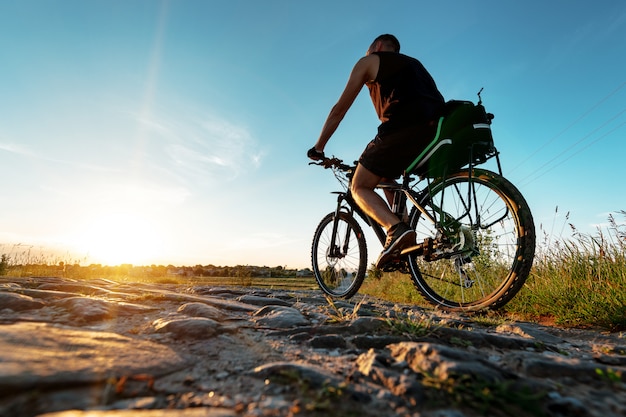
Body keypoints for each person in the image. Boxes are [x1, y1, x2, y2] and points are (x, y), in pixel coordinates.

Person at [307, 34, 445, 268]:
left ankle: (396, 229)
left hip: (401, 128)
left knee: (359, 186)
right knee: (386, 178)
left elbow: (339, 109)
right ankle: (403, 245)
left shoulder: (370, 60)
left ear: (377, 47)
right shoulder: (414, 65)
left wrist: (318, 147)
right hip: (434, 131)